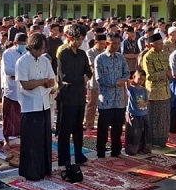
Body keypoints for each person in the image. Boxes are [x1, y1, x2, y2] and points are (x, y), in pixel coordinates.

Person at [16, 33, 57, 181]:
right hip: (30, 106)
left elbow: (52, 81)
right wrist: (42, 81)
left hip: (44, 103)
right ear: (33, 47)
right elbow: (26, 85)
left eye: (43, 49)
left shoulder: (45, 61)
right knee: (32, 141)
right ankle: (31, 172)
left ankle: (45, 169)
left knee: (45, 140)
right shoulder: (22, 61)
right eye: (39, 49)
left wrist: (43, 82)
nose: (41, 52)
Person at [56, 25, 92, 166]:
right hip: (67, 96)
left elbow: (88, 72)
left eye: (82, 39)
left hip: (79, 96)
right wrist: (80, 79)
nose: (80, 42)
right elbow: (64, 76)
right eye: (77, 39)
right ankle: (64, 159)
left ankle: (78, 155)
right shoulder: (63, 54)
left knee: (78, 129)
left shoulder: (82, 54)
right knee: (65, 130)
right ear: (70, 38)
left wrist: (83, 78)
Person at [94, 32, 131, 158]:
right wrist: (116, 83)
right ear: (107, 43)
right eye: (113, 43)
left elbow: (127, 72)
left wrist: (124, 80)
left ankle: (116, 151)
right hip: (106, 100)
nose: (116, 46)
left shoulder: (121, 58)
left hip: (119, 100)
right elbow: (100, 79)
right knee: (103, 129)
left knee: (117, 128)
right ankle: (101, 151)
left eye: (118, 43)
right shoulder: (100, 59)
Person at [141, 31, 172, 146]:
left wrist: (169, 73)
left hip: (165, 92)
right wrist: (164, 73)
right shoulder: (147, 57)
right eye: (159, 44)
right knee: (154, 118)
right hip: (154, 93)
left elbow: (169, 69)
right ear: (152, 45)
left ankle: (162, 141)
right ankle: (151, 141)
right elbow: (148, 76)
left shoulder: (163, 54)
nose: (161, 45)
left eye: (162, 43)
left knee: (164, 119)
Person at [0, 34, 26, 145]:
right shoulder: (8, 53)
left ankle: (22, 135)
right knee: (9, 116)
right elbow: (8, 71)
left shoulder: (26, 53)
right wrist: (21, 73)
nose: (23, 47)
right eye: (21, 44)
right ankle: (6, 139)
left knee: (22, 116)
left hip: (24, 89)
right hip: (11, 89)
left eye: (25, 44)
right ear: (15, 43)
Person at [125, 70, 150, 155]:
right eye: (139, 79)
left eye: (143, 80)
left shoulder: (144, 90)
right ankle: (132, 149)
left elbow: (147, 101)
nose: (140, 81)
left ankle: (143, 148)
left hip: (143, 114)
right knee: (134, 132)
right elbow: (126, 83)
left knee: (144, 132)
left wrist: (144, 104)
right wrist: (130, 81)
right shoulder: (131, 89)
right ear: (134, 77)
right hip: (133, 114)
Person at [84, 33, 107, 130]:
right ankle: (89, 124)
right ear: (95, 42)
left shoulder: (105, 52)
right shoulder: (89, 52)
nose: (103, 45)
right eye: (101, 43)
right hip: (94, 83)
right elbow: (93, 66)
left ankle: (104, 124)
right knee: (92, 104)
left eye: (104, 43)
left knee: (104, 105)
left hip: (105, 83)